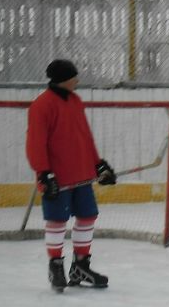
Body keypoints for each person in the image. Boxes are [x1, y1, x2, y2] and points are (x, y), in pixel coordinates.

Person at [26, 59, 117, 292]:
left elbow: (85, 136)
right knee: (57, 221)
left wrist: (98, 165)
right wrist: (44, 172)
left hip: (82, 175)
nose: (77, 80)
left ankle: (80, 266)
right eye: (74, 77)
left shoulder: (75, 101)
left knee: (87, 216)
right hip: (57, 177)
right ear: (64, 79)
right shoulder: (42, 105)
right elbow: (36, 143)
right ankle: (56, 266)